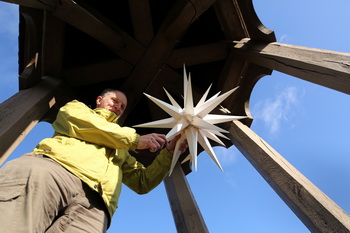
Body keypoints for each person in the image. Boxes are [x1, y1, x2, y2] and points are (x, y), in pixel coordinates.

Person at [0, 88, 187, 233]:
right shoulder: (75, 108)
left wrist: (169, 154)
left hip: (95, 208)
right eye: (115, 100)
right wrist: (136, 140)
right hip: (51, 172)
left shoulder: (120, 149)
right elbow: (88, 125)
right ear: (99, 100)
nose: (118, 107)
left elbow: (142, 182)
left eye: (122, 107)